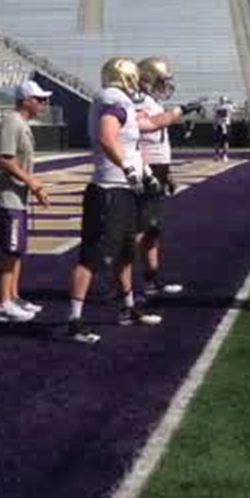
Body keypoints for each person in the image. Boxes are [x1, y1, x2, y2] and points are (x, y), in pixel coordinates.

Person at [65, 57, 190, 343]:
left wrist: (145, 171)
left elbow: (136, 139)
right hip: (109, 188)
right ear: (128, 78)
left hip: (123, 188)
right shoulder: (112, 99)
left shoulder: (123, 102)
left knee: (125, 253)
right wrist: (129, 168)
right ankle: (74, 320)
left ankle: (127, 309)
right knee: (92, 257)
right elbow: (108, 138)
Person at [135, 57, 203, 299]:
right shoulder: (138, 100)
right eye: (161, 80)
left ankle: (151, 281)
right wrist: (180, 111)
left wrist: (169, 172)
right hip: (146, 168)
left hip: (158, 168)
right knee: (139, 229)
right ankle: (124, 285)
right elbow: (142, 132)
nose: (165, 85)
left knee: (153, 229)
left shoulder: (149, 100)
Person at [0, 79, 53, 323]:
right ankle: (3, 303)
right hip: (7, 198)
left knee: (17, 251)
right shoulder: (11, 121)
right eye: (40, 99)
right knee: (10, 250)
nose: (44, 104)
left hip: (17, 197)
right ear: (26, 100)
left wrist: (32, 186)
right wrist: (32, 182)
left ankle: (13, 297)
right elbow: (4, 159)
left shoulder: (20, 123)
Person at [213, 96, 234, 162]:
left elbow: (215, 117)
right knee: (225, 141)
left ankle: (217, 155)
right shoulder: (229, 106)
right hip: (225, 125)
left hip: (219, 125)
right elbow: (234, 112)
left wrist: (215, 125)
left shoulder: (216, 106)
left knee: (218, 141)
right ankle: (224, 155)